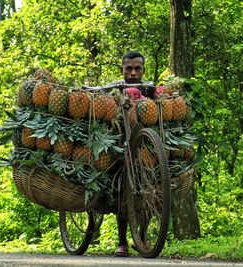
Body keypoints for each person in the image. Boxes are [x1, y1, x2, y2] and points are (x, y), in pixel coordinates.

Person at [114, 51, 146, 257]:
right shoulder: (114, 91)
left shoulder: (150, 91)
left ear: (143, 70)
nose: (133, 73)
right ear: (123, 70)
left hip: (145, 149)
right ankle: (122, 241)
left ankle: (142, 237)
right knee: (121, 192)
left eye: (137, 69)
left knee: (153, 191)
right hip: (119, 148)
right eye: (129, 69)